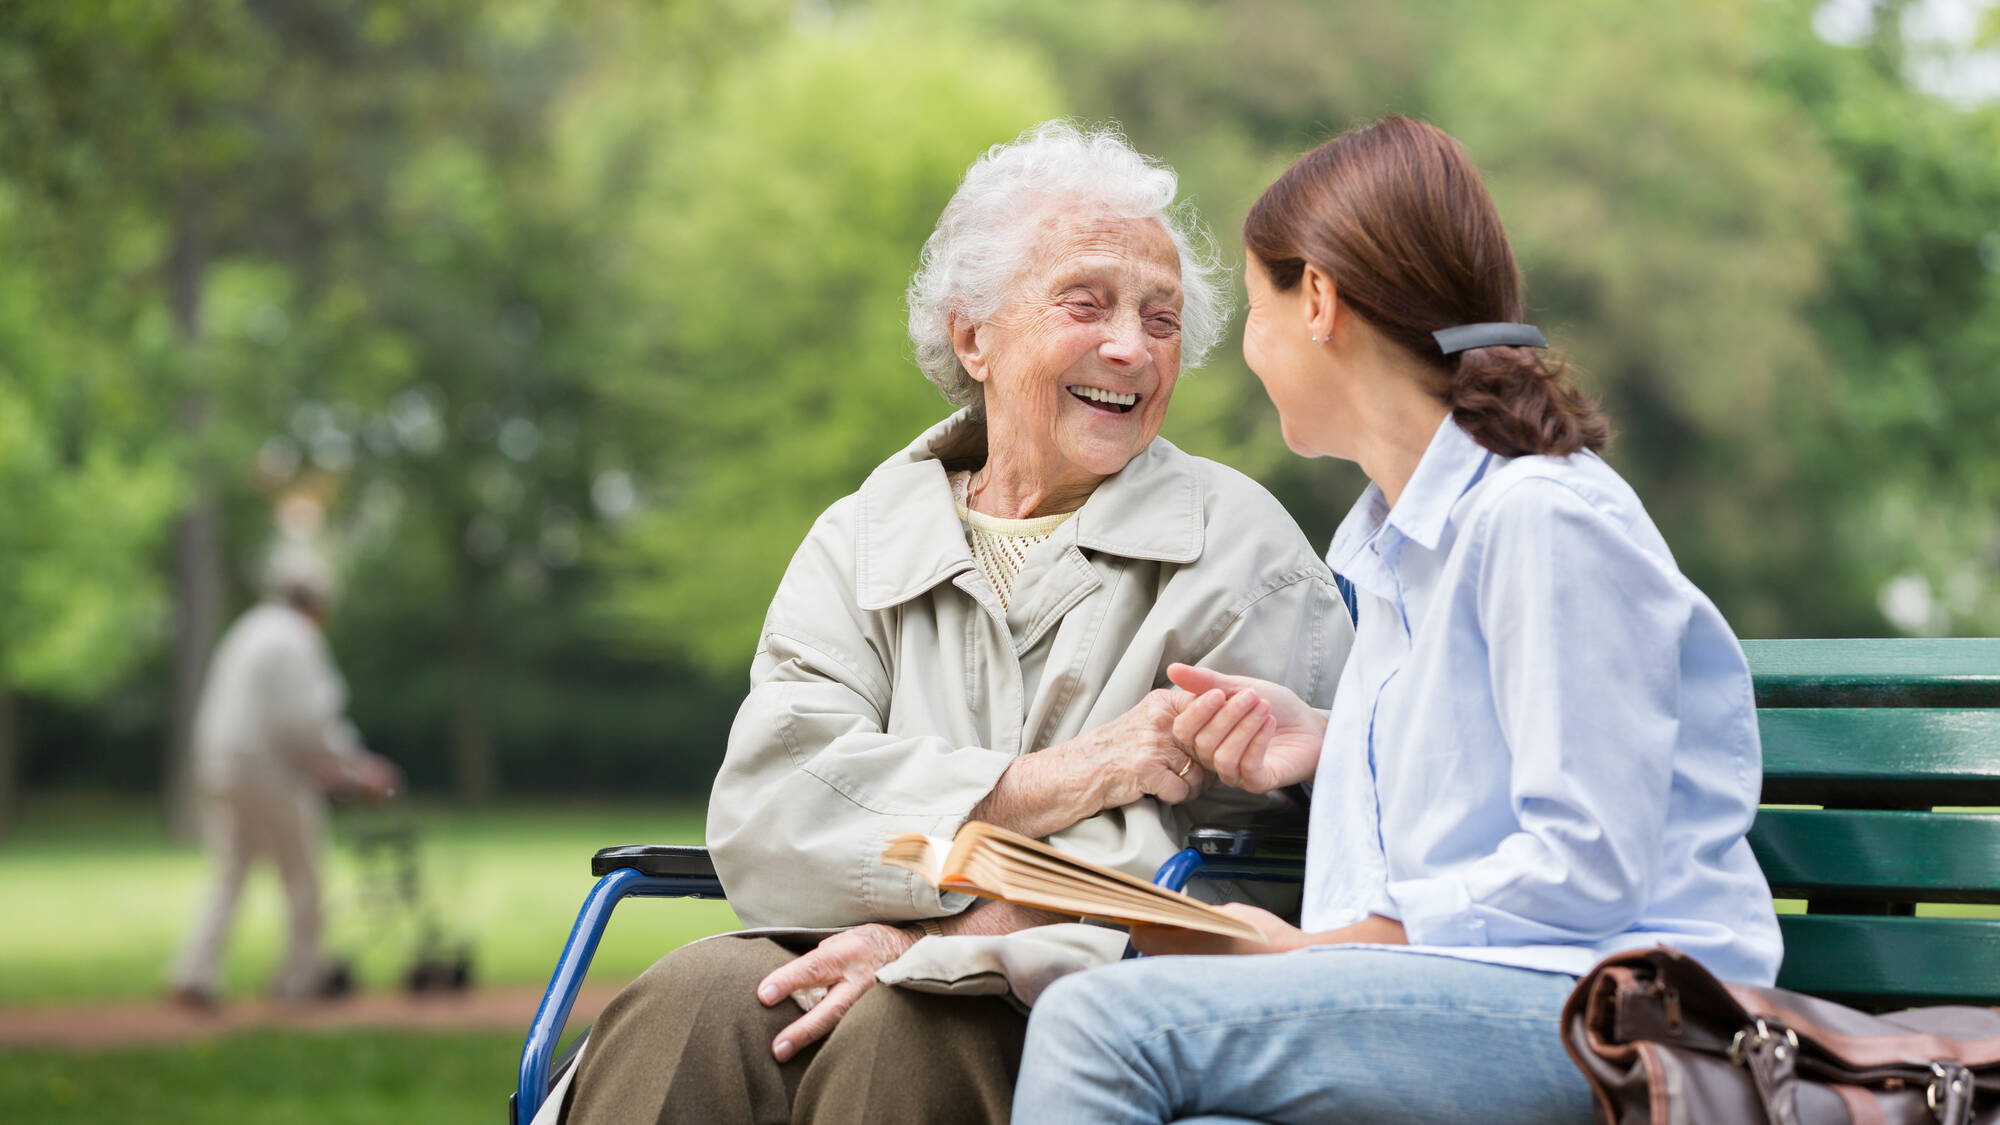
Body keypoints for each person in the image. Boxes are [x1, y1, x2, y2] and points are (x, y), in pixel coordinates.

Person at [558, 121, 1355, 1125]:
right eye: (1086, 303)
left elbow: (1262, 861)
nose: (1130, 346)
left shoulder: (1238, 548)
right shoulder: (860, 539)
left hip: (1094, 982)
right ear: (973, 335)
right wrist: (1072, 776)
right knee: (687, 1006)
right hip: (838, 939)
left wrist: (948, 940)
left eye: (1160, 318)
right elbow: (772, 809)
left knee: (909, 1029)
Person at [1010, 115, 1783, 1125]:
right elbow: (1511, 764)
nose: (1243, 351)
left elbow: (1584, 861)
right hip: (1494, 1001)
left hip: (1606, 1017)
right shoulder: (1398, 545)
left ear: (1318, 300)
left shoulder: (1541, 518)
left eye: (1253, 309)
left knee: (1099, 1023)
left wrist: (1325, 952)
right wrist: (1332, 743)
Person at [167, 545, 399, 1009]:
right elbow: (308, 723)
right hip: (269, 773)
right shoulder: (296, 638)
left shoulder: (250, 629)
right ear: (316, 600)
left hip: (223, 768)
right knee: (305, 876)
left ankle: (195, 972)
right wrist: (359, 767)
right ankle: (300, 980)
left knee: (230, 872)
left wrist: (337, 765)